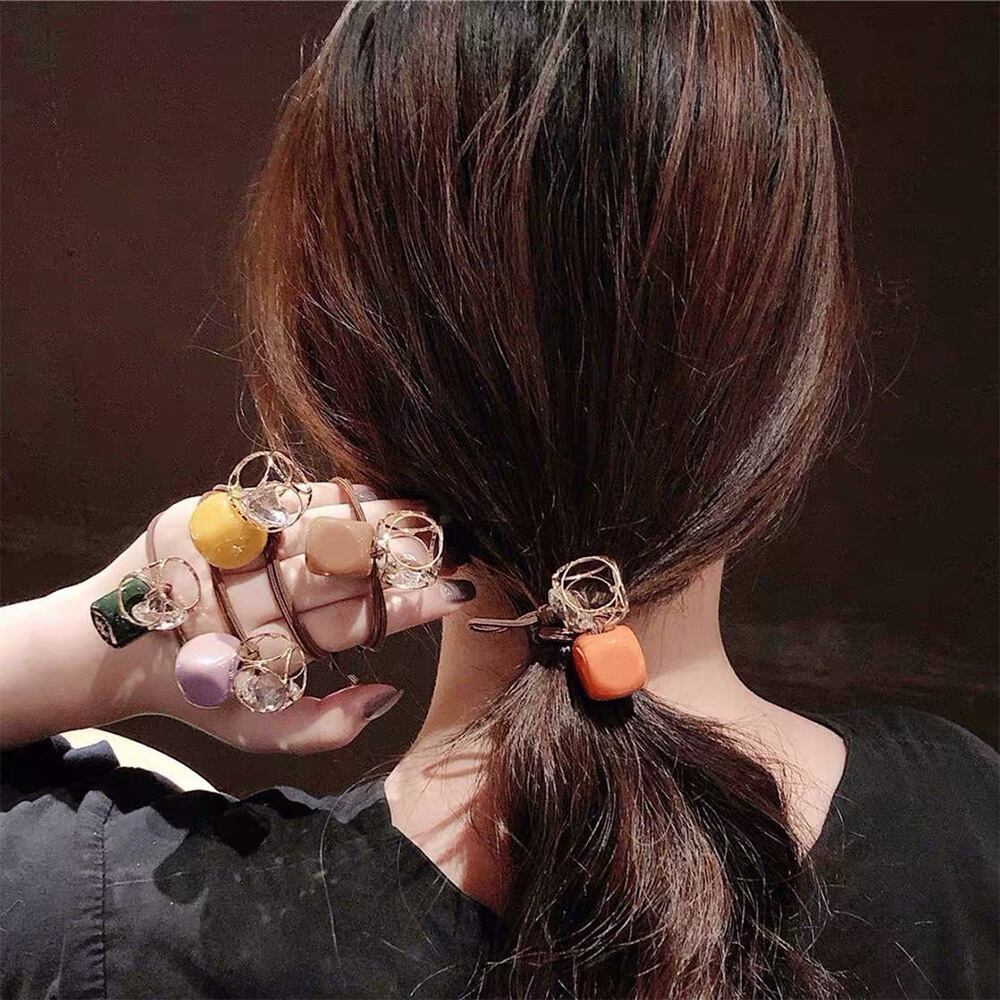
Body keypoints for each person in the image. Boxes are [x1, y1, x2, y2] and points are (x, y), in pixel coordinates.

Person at [1, 2, 996, 998]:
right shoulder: (968, 825)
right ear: (788, 364)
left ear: (331, 363)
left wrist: (99, 639)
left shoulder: (104, 922)